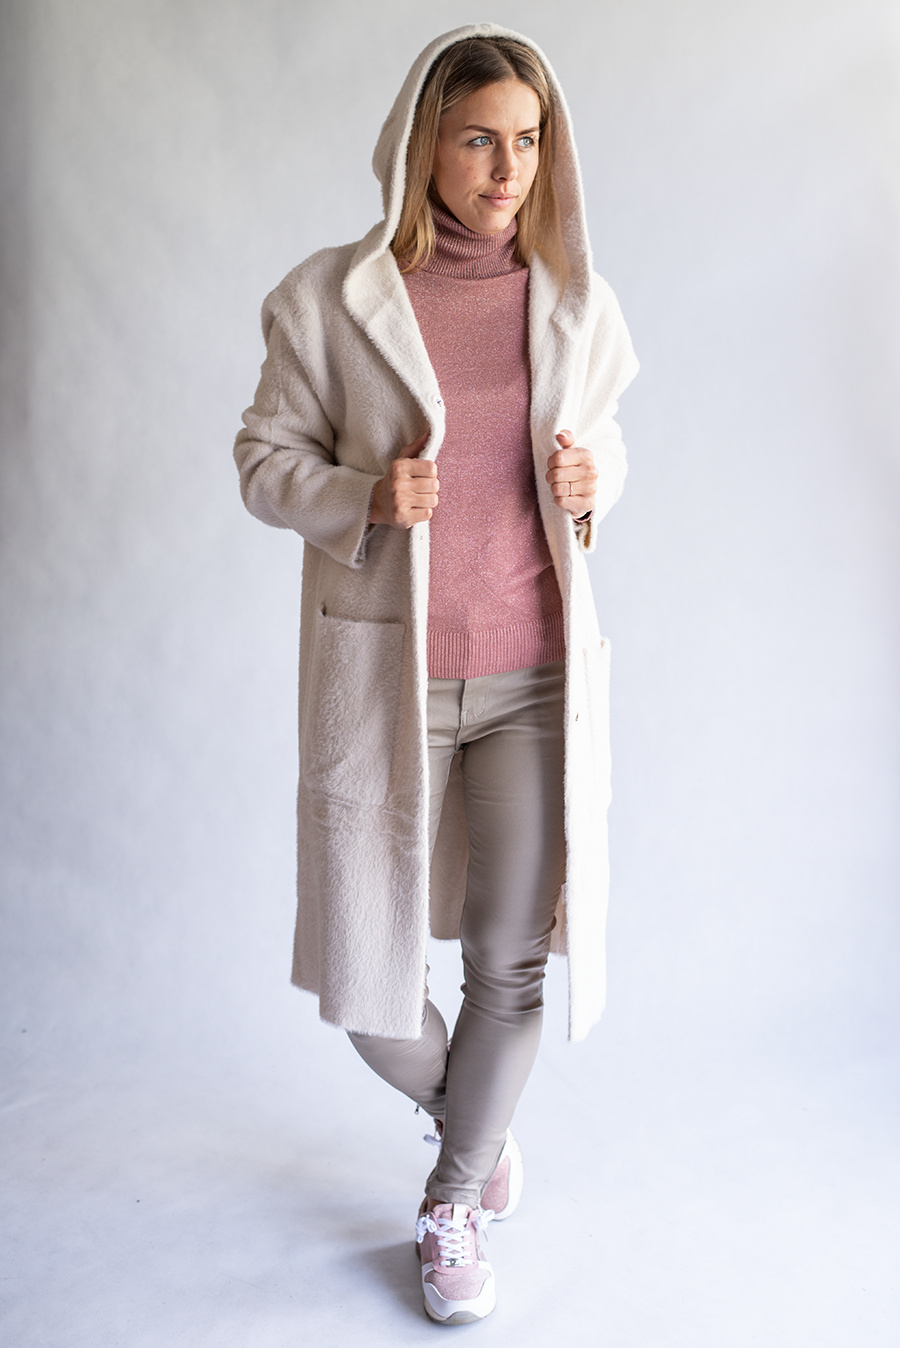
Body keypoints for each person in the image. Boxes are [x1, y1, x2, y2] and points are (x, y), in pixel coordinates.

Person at [234, 23, 637, 1325]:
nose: (508, 171)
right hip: (388, 685)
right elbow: (262, 459)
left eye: (527, 142)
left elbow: (607, 440)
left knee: (512, 966)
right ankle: (481, 1121)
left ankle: (454, 1196)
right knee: (366, 980)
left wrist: (598, 480)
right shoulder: (330, 300)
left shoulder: (573, 301)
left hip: (533, 681)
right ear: (423, 146)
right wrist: (363, 493)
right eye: (479, 140)